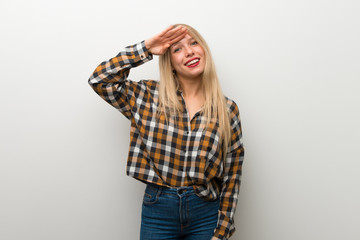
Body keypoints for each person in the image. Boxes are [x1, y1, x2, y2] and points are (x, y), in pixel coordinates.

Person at [88, 24, 245, 240]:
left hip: (206, 213)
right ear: (169, 63)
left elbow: (232, 175)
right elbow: (100, 80)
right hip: (158, 210)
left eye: (193, 43)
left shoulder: (227, 110)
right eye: (177, 49)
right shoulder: (147, 97)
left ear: (204, 50)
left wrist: (223, 230)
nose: (189, 51)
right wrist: (146, 48)